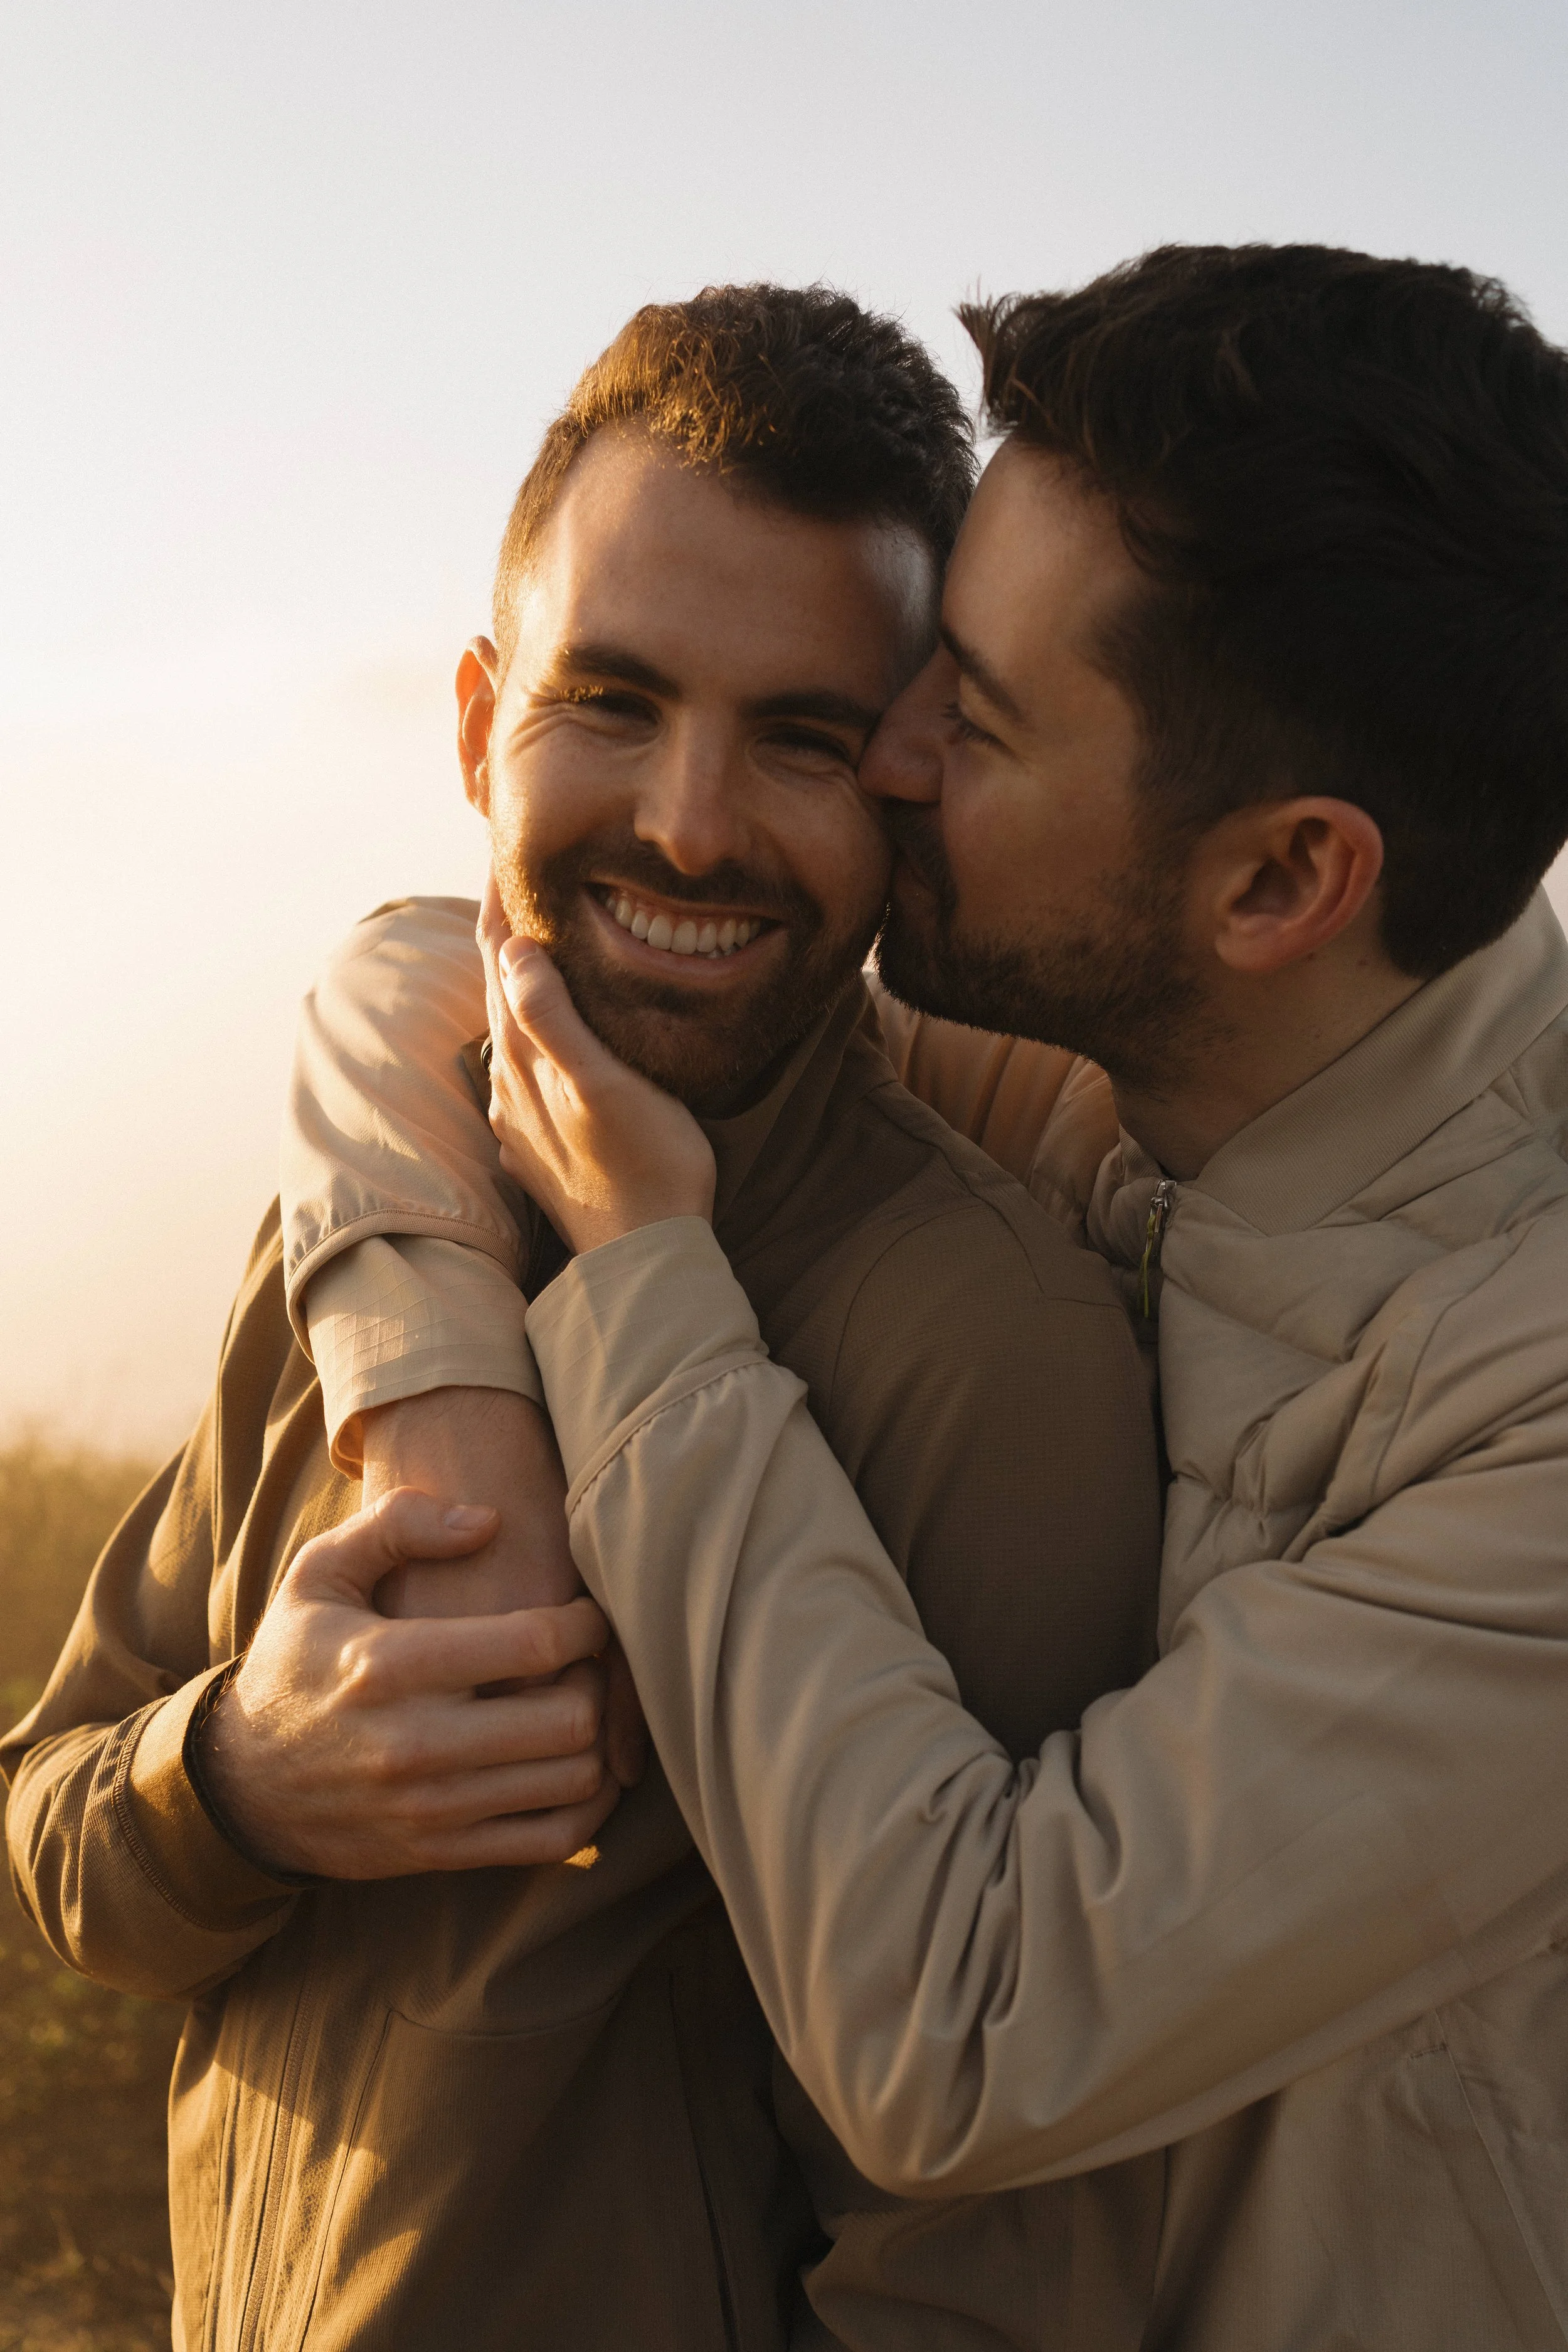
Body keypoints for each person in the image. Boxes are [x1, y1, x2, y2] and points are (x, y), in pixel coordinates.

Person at [305, 246, 1568, 2346]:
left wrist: (640, 1278)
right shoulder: (1167, 1065)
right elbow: (463, 965)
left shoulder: (1527, 1422)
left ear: (1277, 880)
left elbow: (961, 2020)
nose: (877, 757)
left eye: (965, 719)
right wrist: (428, 1388)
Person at [4, 285, 1165, 2351]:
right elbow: (52, 1823)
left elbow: (998, 2234)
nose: (691, 824)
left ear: (906, 784)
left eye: (800, 736)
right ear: (474, 723)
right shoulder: (371, 1216)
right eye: (608, 701)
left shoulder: (993, 1360)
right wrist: (241, 1781)